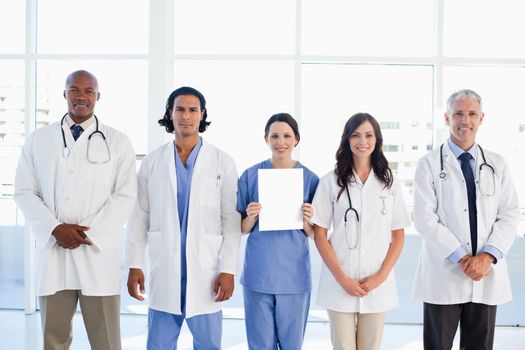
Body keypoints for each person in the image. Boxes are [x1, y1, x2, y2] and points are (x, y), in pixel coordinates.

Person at [14, 70, 137, 350]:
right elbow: (24, 191)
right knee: (53, 339)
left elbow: (125, 196)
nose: (81, 96)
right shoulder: (39, 139)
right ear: (65, 94)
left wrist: (82, 234)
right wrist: (55, 229)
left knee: (106, 340)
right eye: (74, 90)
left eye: (88, 91)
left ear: (97, 96)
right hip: (53, 253)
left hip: (97, 255)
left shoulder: (118, 142)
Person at [125, 86, 241, 349]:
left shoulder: (223, 162)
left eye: (192, 110)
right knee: (159, 344)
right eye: (180, 109)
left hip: (207, 269)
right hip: (165, 267)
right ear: (170, 113)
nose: (186, 116)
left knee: (209, 344)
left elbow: (231, 221)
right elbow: (139, 215)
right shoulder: (153, 162)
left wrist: (229, 269)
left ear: (202, 115)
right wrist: (134, 263)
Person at [412, 89, 520, 350]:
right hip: (444, 274)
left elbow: (509, 214)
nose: (465, 120)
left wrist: (486, 258)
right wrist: (463, 257)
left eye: (472, 114)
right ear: (447, 118)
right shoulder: (428, 164)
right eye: (458, 113)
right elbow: (425, 218)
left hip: (486, 273)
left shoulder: (497, 164)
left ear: (481, 118)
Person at [311, 113, 409, 350]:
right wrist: (342, 278)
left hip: (377, 283)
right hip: (340, 282)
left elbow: (397, 236)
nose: (362, 141)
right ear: (347, 140)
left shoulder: (389, 182)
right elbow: (319, 234)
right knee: (343, 346)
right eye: (355, 135)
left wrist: (380, 277)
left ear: (377, 140)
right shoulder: (330, 181)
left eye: (368, 135)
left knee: (370, 347)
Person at [236, 112, 319, 349]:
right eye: (274, 136)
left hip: (294, 277)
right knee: (260, 344)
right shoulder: (250, 176)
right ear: (266, 139)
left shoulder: (311, 180)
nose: (280, 142)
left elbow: (315, 233)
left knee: (292, 344)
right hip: (258, 274)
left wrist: (305, 221)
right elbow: (241, 229)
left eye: (286, 136)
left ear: (296, 139)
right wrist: (251, 216)